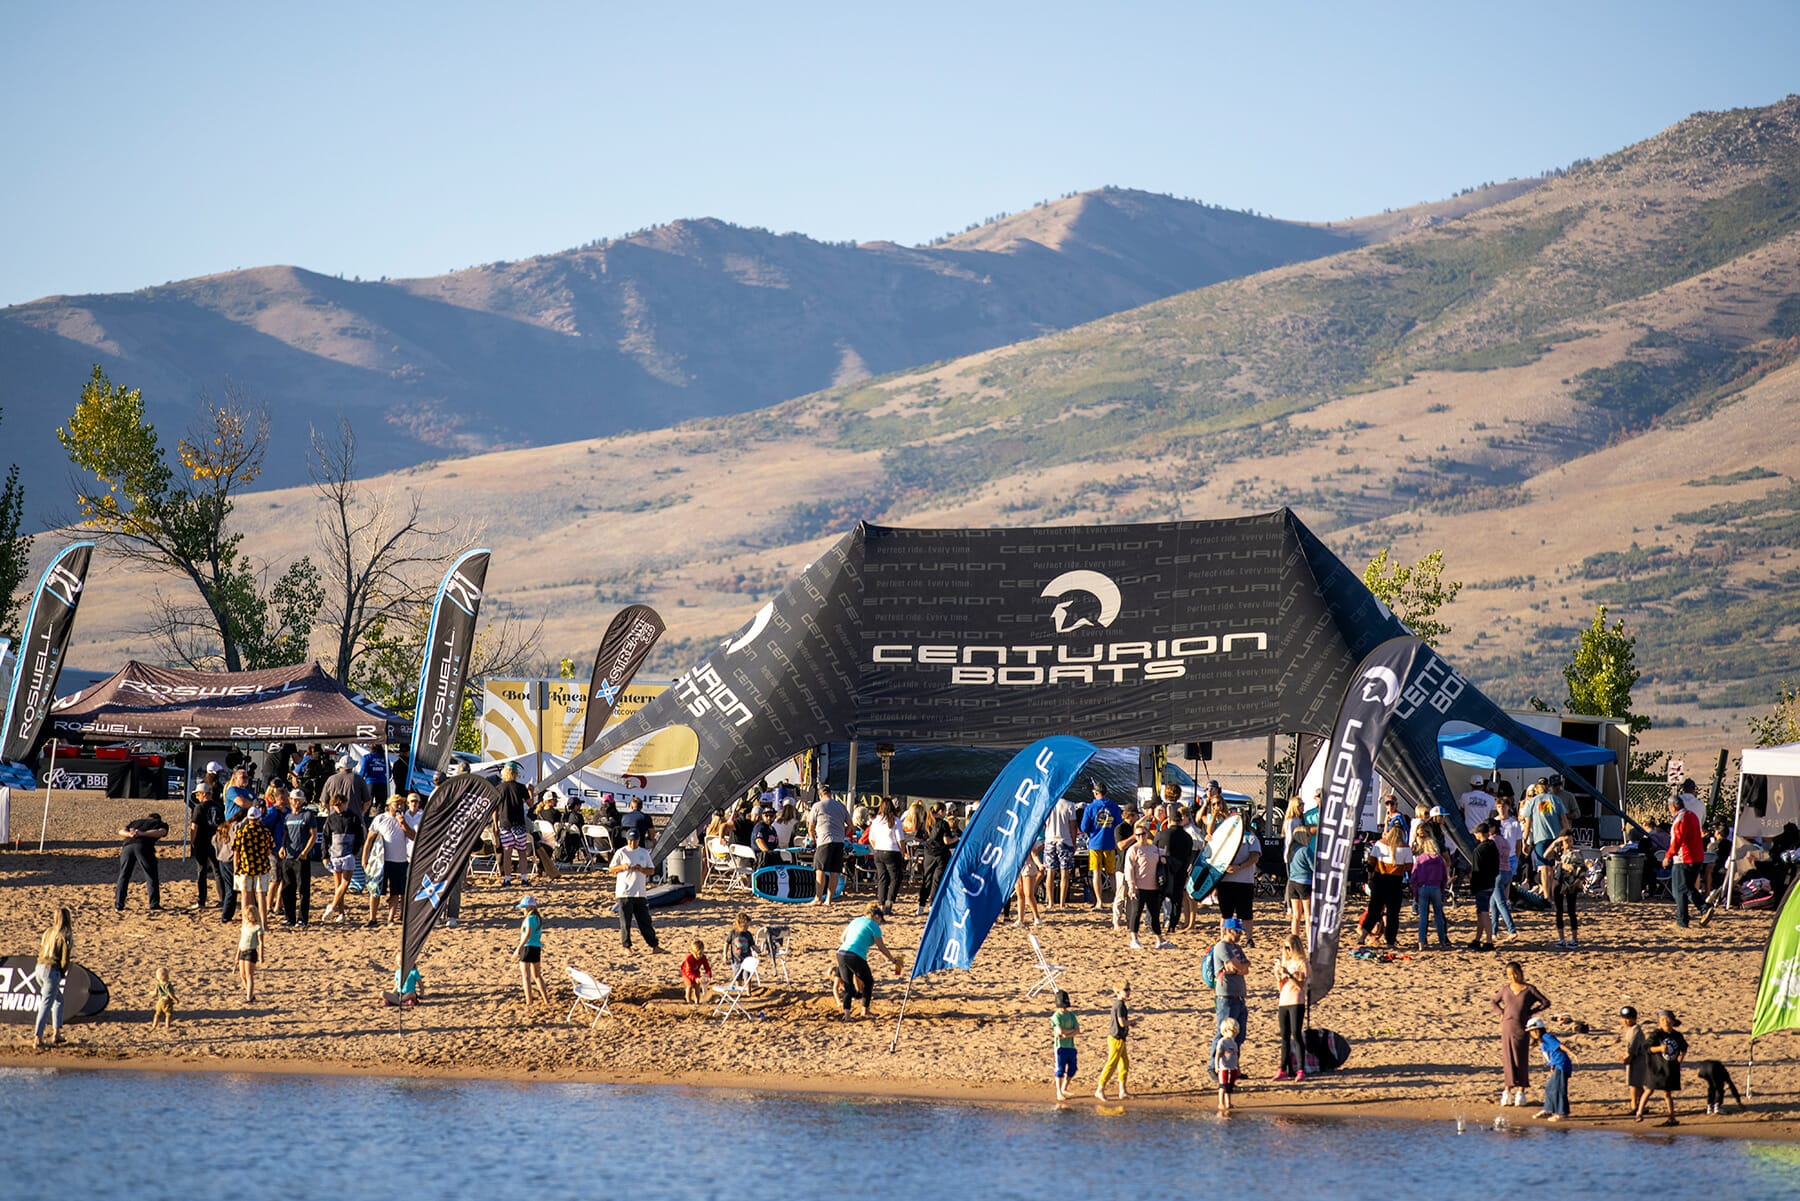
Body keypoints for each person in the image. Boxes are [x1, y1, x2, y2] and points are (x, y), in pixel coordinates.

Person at [1492, 960, 1550, 1106]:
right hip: (1507, 1026)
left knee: (1521, 1059)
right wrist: (1502, 1012)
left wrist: (1531, 1012)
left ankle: (1521, 1092)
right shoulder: (1505, 989)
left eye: (1513, 974)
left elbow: (1545, 1002)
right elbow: (1494, 1002)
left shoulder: (1529, 989)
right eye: (1509, 975)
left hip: (1523, 1027)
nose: (1511, 977)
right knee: (1508, 1058)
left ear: (1519, 973)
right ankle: (1507, 1091)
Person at [835, 902, 900, 1020]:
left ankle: (847, 1015)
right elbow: (881, 947)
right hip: (855, 955)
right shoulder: (874, 925)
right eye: (881, 920)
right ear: (877, 916)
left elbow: (842, 938)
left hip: (841, 953)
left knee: (848, 984)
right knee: (868, 982)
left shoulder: (856, 920)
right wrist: (892, 959)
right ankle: (865, 1010)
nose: (880, 923)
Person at [1358, 823, 1413, 949]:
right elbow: (1409, 867)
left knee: (1374, 911)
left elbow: (1371, 863)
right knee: (1393, 914)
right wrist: (1397, 868)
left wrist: (1371, 876)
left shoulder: (1380, 844)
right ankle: (1390, 941)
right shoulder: (1405, 848)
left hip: (1380, 880)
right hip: (1395, 882)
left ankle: (1363, 936)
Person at [1663, 794, 1714, 929]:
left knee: (1679, 890)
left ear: (1672, 807)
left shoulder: (1680, 819)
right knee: (1688, 887)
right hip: (1697, 856)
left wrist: (1668, 856)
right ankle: (1703, 908)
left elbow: (1677, 840)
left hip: (1684, 858)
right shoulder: (1692, 815)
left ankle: (1682, 919)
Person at [362, 796, 413, 927]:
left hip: (400, 860)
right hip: (381, 860)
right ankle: (372, 918)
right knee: (375, 890)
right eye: (397, 803)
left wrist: (403, 823)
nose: (399, 806)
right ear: (390, 804)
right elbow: (369, 840)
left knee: (396, 891)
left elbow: (412, 836)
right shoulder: (380, 818)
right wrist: (365, 858)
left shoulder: (405, 818)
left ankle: (391, 918)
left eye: (401, 803)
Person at [609, 828, 661, 951]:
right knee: (625, 922)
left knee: (645, 921)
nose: (633, 843)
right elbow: (611, 869)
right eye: (631, 841)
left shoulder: (643, 852)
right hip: (625, 891)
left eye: (635, 841)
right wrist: (622, 867)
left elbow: (651, 870)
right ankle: (627, 947)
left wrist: (641, 869)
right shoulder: (621, 852)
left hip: (640, 892)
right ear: (627, 840)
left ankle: (654, 945)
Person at [32, 908, 73, 1048]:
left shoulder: (48, 932)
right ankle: (37, 1037)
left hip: (39, 968)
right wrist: (62, 973)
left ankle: (57, 1033)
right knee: (46, 1004)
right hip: (51, 970)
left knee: (59, 1000)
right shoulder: (65, 935)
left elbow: (41, 950)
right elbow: (64, 959)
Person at [1079, 781, 1123, 910]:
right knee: (1111, 874)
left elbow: (1083, 827)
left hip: (1095, 844)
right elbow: (1118, 825)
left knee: (1096, 873)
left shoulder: (1091, 808)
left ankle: (1099, 901)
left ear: (1096, 793)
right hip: (1110, 843)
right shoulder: (1114, 807)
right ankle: (1116, 900)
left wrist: (1092, 832)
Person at [187, 782, 229, 914]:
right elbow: (224, 825)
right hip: (216, 842)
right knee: (218, 870)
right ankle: (223, 898)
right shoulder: (219, 807)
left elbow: (194, 826)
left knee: (202, 871)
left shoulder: (199, 808)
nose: (198, 797)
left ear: (204, 794)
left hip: (202, 841)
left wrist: (192, 841)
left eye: (199, 794)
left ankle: (202, 900)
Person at [277, 789, 318, 927]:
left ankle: (302, 918)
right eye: (294, 799)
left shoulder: (307, 815)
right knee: (287, 888)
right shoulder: (288, 817)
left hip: (301, 857)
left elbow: (313, 835)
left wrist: (305, 851)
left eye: (298, 800)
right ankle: (289, 917)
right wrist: (282, 847)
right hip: (288, 856)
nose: (296, 802)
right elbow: (285, 834)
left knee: (303, 889)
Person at [1639, 1009, 1687, 1125]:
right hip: (1656, 1067)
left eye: (1667, 1019)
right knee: (1649, 1090)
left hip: (1669, 1069)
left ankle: (1671, 1117)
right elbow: (1646, 1048)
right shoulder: (1656, 1034)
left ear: (1673, 1021)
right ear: (1659, 1022)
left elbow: (1684, 1047)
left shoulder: (1677, 1035)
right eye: (1662, 1020)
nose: (1665, 1022)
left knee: (1667, 1094)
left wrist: (1681, 1056)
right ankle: (1639, 1112)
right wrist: (1659, 1049)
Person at [1122, 830, 1168, 950]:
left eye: (1143, 834)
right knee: (1136, 913)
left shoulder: (1154, 848)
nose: (1140, 837)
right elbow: (1129, 869)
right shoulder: (1133, 850)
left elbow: (1163, 856)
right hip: (1138, 887)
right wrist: (1131, 885)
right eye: (1138, 835)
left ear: (1147, 834)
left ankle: (1160, 940)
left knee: (1155, 914)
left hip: (1153, 887)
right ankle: (1134, 939)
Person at [320, 794, 362, 923]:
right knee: (338, 885)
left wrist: (355, 851)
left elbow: (360, 836)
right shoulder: (331, 819)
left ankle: (332, 906)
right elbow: (326, 838)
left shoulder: (353, 818)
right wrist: (324, 856)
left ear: (345, 803)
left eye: (339, 805)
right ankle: (341, 913)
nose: (337, 808)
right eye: (335, 806)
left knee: (345, 883)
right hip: (335, 854)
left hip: (348, 853)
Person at [114, 812, 169, 912]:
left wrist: (130, 834)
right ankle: (154, 904)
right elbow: (161, 832)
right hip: (143, 847)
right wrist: (142, 834)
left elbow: (121, 831)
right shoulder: (159, 823)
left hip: (127, 847)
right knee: (151, 875)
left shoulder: (136, 822)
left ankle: (119, 904)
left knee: (124, 875)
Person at [1209, 917, 1251, 1048]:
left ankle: (1233, 1064)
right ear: (1228, 930)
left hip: (1239, 995)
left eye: (1240, 932)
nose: (1239, 935)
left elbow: (1245, 968)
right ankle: (1213, 1066)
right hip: (1226, 996)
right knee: (1223, 1033)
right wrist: (1239, 968)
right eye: (1236, 931)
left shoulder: (1237, 948)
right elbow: (1239, 966)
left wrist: (1238, 969)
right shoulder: (1221, 946)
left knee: (1239, 1034)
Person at [1525, 777, 1568, 902]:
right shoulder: (1556, 800)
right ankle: (1550, 895)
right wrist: (1566, 836)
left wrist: (1524, 839)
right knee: (1551, 868)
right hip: (1555, 838)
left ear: (1537, 788)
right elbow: (1564, 820)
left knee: (1544, 868)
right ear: (1548, 786)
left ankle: (1546, 896)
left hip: (1541, 837)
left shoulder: (1532, 801)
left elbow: (1527, 823)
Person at [231, 805, 275, 930]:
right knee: (261, 896)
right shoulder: (265, 832)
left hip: (245, 867)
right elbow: (269, 849)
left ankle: (246, 923)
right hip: (261, 867)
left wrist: (235, 867)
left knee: (246, 895)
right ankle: (264, 924)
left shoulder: (241, 832)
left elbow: (236, 852)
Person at [1156, 795, 1195, 931]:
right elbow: (1189, 855)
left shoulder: (1162, 834)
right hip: (1181, 870)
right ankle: (1172, 924)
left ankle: (1156, 923)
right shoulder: (1187, 837)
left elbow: (1155, 850)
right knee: (1177, 899)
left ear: (1170, 820)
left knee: (1160, 897)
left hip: (1164, 869)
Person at [808, 784, 851, 907]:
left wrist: (812, 839)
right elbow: (850, 825)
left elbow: (811, 827)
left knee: (820, 870)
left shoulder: (817, 806)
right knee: (835, 871)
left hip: (824, 840)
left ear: (820, 795)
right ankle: (829, 899)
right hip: (839, 841)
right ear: (830, 794)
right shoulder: (841, 806)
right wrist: (843, 834)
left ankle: (818, 898)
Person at [1274, 934, 1309, 1080]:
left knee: (1296, 1034)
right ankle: (1283, 1068)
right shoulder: (1286, 963)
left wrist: (1290, 975)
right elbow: (1280, 987)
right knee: (1284, 1037)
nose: (1287, 951)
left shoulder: (1302, 963)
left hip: (1296, 1000)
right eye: (1285, 948)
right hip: (1284, 1000)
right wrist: (1279, 976)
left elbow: (1301, 984)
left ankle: (1300, 1069)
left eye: (1289, 948)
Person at [493, 764, 533, 885]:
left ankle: (507, 879)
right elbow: (530, 804)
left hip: (505, 823)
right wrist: (531, 792)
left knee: (507, 852)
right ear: (516, 773)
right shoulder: (521, 788)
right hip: (518, 823)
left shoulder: (499, 788)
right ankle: (524, 878)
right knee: (522, 852)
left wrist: (495, 825)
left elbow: (494, 809)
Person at [1043, 789, 1083, 908]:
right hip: (1064, 840)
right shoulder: (1069, 805)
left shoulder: (1047, 805)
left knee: (1050, 872)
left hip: (1050, 840)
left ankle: (1050, 902)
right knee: (1064, 873)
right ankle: (1062, 903)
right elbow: (1073, 826)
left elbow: (1044, 824)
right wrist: (1074, 842)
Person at [1527, 1017, 1572, 1121]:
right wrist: (1552, 1064)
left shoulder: (1547, 1037)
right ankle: (1548, 1109)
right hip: (1556, 1064)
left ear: (1536, 1030)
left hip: (1561, 1064)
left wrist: (1572, 1053)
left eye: (1531, 1031)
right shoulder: (1543, 1040)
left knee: (1559, 1089)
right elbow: (1552, 1053)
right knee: (1550, 1088)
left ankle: (1562, 1113)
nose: (1531, 1034)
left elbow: (1559, 1046)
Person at [1410, 835, 1450, 950]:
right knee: (1438, 915)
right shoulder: (1439, 859)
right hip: (1436, 887)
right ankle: (1442, 940)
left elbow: (1414, 877)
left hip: (1423, 887)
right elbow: (1444, 877)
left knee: (1423, 916)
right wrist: (1442, 889)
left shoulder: (1421, 859)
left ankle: (1421, 942)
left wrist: (1415, 893)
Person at [868, 798, 906, 917]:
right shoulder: (895, 821)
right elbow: (900, 840)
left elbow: (871, 838)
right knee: (896, 878)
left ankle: (881, 904)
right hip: (892, 851)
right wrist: (902, 852)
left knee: (882, 878)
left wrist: (876, 848)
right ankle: (889, 901)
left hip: (879, 850)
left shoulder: (876, 821)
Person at [1546, 832, 1584, 949]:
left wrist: (1578, 880)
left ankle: (1574, 939)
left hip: (1571, 884)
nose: (1569, 844)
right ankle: (1561, 938)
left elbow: (1582, 869)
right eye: (1566, 841)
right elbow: (1545, 855)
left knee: (1571, 911)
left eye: (1570, 841)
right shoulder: (1558, 852)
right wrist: (1555, 842)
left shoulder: (1576, 853)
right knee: (1559, 910)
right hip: (1558, 883)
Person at [1492, 795, 1522, 940]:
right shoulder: (1494, 823)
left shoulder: (1514, 823)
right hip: (1497, 859)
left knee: (1505, 885)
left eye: (1503, 806)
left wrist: (1516, 856)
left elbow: (1518, 843)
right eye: (1499, 807)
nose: (1501, 809)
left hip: (1509, 856)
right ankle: (1494, 930)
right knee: (1496, 895)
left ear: (1508, 807)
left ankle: (1507, 925)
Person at [915, 805, 955, 914]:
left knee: (926, 879)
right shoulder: (943, 824)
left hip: (928, 854)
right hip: (941, 855)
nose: (946, 813)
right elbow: (947, 841)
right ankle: (932, 904)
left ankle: (921, 905)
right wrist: (956, 838)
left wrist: (927, 841)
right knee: (937, 881)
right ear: (940, 811)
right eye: (945, 811)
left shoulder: (927, 822)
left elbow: (917, 838)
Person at [1466, 821, 1499, 952]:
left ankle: (1489, 941)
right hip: (1491, 883)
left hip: (1481, 885)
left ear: (1480, 834)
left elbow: (1476, 870)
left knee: (1484, 913)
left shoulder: (1479, 850)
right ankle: (1477, 939)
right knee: (1480, 912)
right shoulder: (1493, 846)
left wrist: (1473, 886)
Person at [1095, 982, 1130, 1100]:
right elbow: (1122, 1023)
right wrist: (1134, 1021)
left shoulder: (1119, 1004)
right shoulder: (1119, 1005)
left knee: (1124, 1063)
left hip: (1120, 1038)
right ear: (1118, 992)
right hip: (1116, 1039)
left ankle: (1122, 1090)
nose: (1128, 992)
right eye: (1126, 990)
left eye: (1129, 989)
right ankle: (1100, 1089)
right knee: (1111, 1064)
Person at [515, 895, 550, 1005]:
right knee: (537, 976)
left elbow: (527, 935)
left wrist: (518, 948)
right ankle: (546, 1000)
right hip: (536, 947)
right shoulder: (538, 919)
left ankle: (529, 1001)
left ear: (529, 908)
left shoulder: (529, 919)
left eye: (524, 908)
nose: (522, 910)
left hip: (527, 947)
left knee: (526, 976)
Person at [1285, 817, 1315, 940]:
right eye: (1308, 835)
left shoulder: (1291, 850)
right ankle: (1309, 940)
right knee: (1308, 915)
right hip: (1305, 883)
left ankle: (1295, 940)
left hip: (1292, 883)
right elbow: (1314, 867)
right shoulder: (1305, 850)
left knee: (1296, 915)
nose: (1310, 837)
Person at [1619, 1005, 1650, 1117]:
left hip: (1637, 1060)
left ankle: (1634, 1106)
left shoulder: (1635, 1031)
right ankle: (1642, 1105)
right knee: (1638, 1084)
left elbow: (1632, 1049)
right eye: (1624, 1018)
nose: (1626, 1021)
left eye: (1628, 1019)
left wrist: (1627, 1059)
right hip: (1636, 1059)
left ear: (1634, 1019)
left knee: (1633, 1084)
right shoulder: (1631, 1030)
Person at [1050, 989, 1079, 1101]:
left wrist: (1067, 1034)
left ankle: (1064, 1088)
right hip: (1060, 1047)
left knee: (1073, 1068)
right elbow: (1059, 1031)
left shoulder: (1071, 1015)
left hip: (1070, 1046)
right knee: (1060, 1069)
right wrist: (1070, 1032)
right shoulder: (1056, 1016)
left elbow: (1077, 1030)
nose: (1063, 1008)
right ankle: (1059, 1092)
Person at [1212, 1017, 1242, 1116]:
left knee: (1229, 1086)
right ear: (1225, 1030)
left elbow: (1236, 1056)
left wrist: (1238, 1067)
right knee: (1223, 1086)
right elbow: (1217, 1055)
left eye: (1235, 1031)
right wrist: (1216, 1066)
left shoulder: (1234, 1043)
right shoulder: (1222, 1042)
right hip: (1224, 1068)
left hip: (1232, 1067)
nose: (1233, 1033)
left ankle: (1228, 1103)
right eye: (1231, 1031)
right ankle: (1221, 1103)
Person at [1013, 843, 1046, 927]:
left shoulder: (1030, 839)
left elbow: (1034, 854)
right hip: (1016, 866)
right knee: (1019, 893)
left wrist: (1039, 865)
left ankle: (1037, 917)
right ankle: (1020, 919)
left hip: (1028, 865)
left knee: (1028, 894)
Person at [237, 914, 261, 1002]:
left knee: (249, 975)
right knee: (242, 975)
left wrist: (261, 956)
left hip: (251, 952)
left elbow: (261, 943)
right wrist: (237, 955)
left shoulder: (257, 928)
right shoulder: (245, 927)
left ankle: (249, 997)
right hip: (243, 951)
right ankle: (250, 993)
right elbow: (241, 941)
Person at [681, 939, 713, 1004]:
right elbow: (688, 972)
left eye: (702, 953)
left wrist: (708, 975)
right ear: (692, 952)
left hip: (695, 971)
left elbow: (707, 967)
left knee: (697, 986)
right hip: (686, 972)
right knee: (689, 985)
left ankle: (697, 1001)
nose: (700, 956)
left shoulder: (703, 957)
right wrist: (695, 978)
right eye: (698, 954)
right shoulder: (689, 959)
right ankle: (688, 1000)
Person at [151, 966, 175, 1031]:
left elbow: (155, 993)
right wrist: (175, 999)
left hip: (160, 1001)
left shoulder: (158, 985)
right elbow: (170, 993)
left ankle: (154, 1025)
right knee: (168, 1014)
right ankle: (167, 1026)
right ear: (167, 976)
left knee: (157, 1014)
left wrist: (150, 994)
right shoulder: (168, 985)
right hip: (167, 1001)